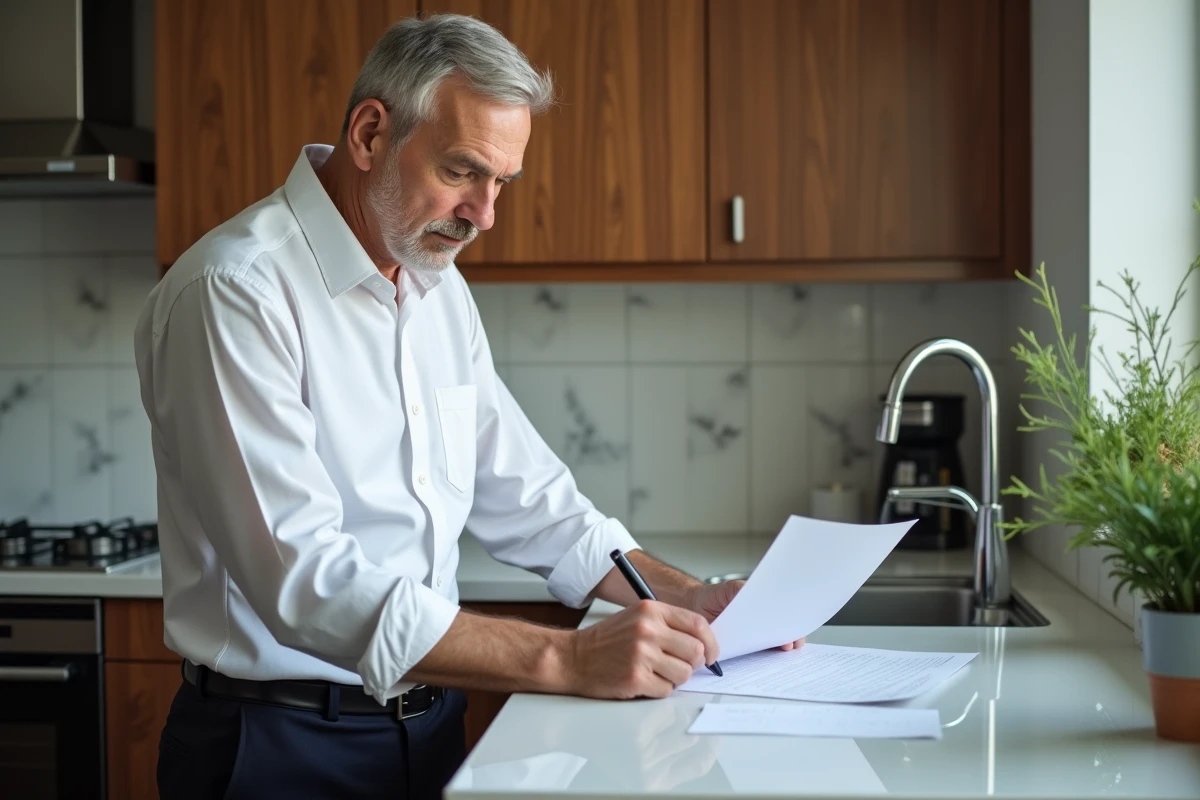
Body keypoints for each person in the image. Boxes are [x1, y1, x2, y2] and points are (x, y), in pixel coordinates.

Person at [136, 14, 801, 800]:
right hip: (276, 745)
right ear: (370, 134)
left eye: (502, 183)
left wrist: (686, 595)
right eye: (462, 172)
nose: (484, 214)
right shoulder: (236, 291)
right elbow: (303, 580)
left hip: (428, 729)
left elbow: (535, 502)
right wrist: (568, 658)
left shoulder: (435, 286)